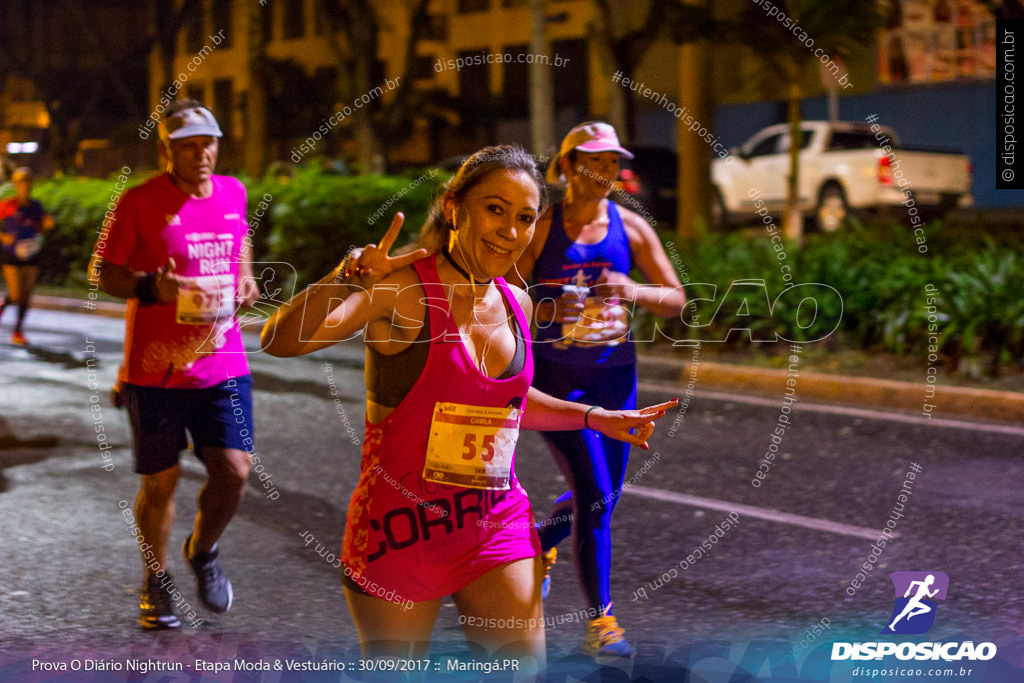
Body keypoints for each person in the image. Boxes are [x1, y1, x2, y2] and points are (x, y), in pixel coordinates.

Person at [260, 145, 675, 674]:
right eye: (495, 209)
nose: (510, 230)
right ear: (454, 207)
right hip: (400, 531)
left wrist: (596, 418)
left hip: (493, 525)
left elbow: (509, 403)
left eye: (525, 217)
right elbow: (280, 341)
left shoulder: (515, 302)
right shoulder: (403, 290)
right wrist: (345, 276)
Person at [508, 122, 687, 658]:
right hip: (558, 381)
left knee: (604, 496)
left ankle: (540, 545)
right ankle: (601, 624)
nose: (605, 172)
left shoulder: (630, 229)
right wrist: (543, 306)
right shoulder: (541, 229)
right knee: (592, 494)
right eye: (594, 161)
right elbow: (505, 294)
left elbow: (676, 298)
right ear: (566, 168)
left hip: (617, 378)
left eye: (612, 162)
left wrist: (633, 289)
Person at [94, 99, 259, 629]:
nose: (200, 154)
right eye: (186, 146)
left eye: (207, 143)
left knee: (234, 472)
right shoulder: (138, 202)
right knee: (161, 484)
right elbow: (105, 272)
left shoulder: (234, 191)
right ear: (166, 149)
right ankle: (155, 579)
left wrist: (246, 277)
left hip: (223, 361)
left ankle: (203, 551)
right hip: (157, 370)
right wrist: (149, 286)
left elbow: (240, 240)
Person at [0, 167, 55, 345]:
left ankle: (18, 331)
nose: (26, 186)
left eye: (28, 182)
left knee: (26, 294)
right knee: (15, 294)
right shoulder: (8, 205)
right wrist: (3, 236)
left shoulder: (36, 206)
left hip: (31, 252)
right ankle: (3, 304)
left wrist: (47, 224)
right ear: (16, 185)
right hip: (10, 252)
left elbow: (40, 226)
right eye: (22, 182)